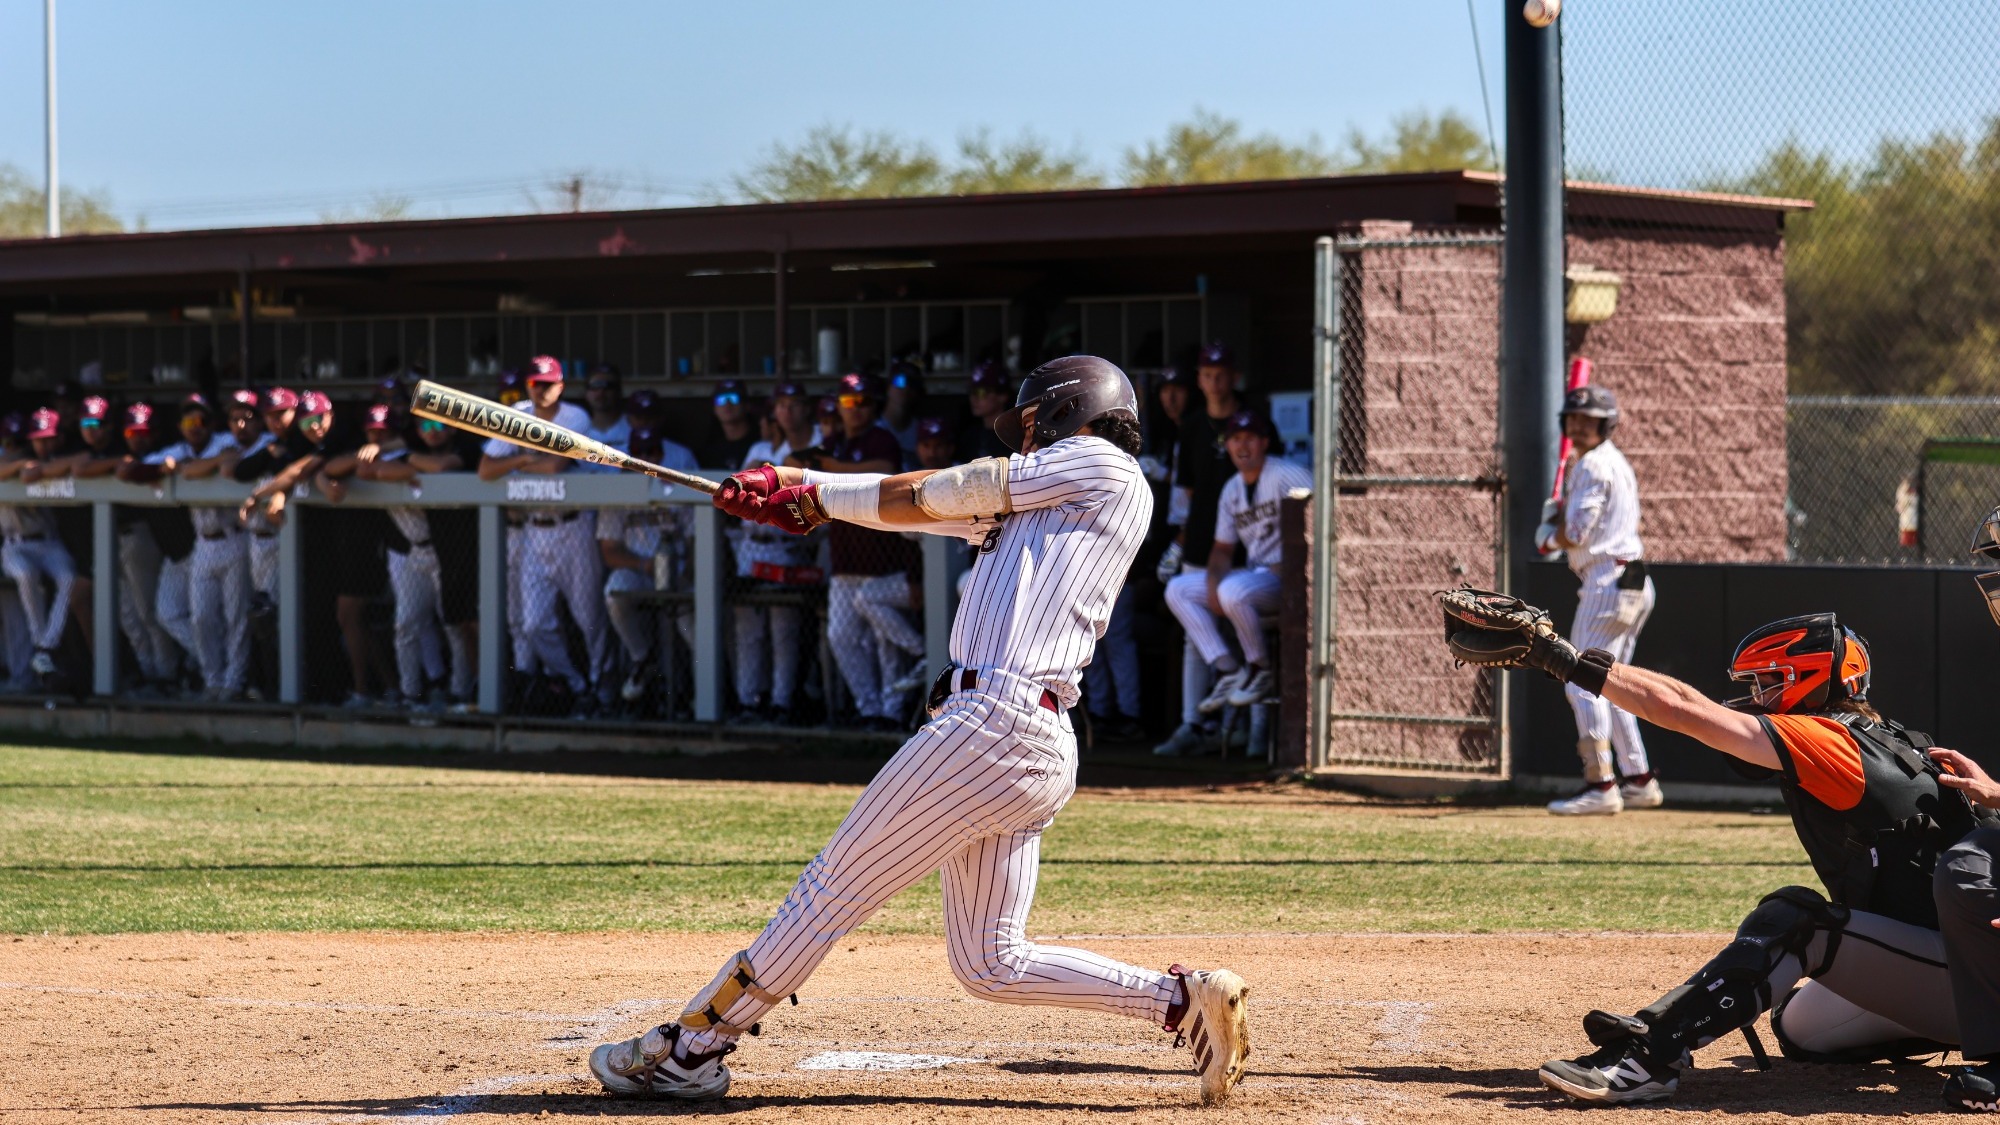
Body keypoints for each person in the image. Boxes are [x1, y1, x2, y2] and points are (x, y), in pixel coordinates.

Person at [590, 355, 1250, 1104]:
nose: (1026, 438)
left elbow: (952, 486)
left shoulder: (1103, 466)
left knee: (827, 890)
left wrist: (807, 487)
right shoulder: (1043, 502)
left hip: (996, 723)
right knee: (990, 962)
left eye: (1034, 422)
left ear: (1074, 411)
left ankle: (694, 1045)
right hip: (1019, 736)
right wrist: (804, 500)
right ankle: (1181, 1000)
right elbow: (913, 506)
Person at [1436, 594, 2000, 1111]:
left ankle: (1650, 1058)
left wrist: (1561, 659)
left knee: (1796, 921)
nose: (1756, 699)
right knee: (1802, 1028)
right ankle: (1961, 1026)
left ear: (1804, 680)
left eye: (1767, 684)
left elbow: (1688, 710)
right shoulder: (1899, 740)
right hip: (1966, 966)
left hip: (1966, 970)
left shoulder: (1832, 740)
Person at [1156, 412, 1311, 755]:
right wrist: (1211, 583)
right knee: (1179, 589)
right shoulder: (1232, 488)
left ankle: (1259, 668)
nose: (1242, 445)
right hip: (1257, 580)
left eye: (1250, 438)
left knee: (1232, 591)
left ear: (1265, 442)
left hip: (1292, 581)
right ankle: (1228, 669)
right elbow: (1223, 549)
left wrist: (1293, 566)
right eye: (1235, 439)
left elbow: (1321, 518)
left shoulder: (1287, 475)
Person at [1540, 384, 1661, 815]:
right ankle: (1639, 779)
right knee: (1615, 684)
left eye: (1587, 419)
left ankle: (1602, 785)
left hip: (1606, 580)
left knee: (1581, 681)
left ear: (1605, 423)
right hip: (1631, 578)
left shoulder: (1591, 464)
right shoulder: (1612, 461)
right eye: (1573, 419)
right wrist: (1560, 512)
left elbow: (1576, 534)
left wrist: (1548, 535)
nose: (1578, 425)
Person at [478, 355, 607, 715]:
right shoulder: (516, 413)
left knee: (590, 618)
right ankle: (576, 683)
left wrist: (519, 458)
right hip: (535, 530)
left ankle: (602, 688)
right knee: (534, 624)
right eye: (535, 383)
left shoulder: (575, 416)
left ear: (561, 386)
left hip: (575, 526)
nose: (541, 390)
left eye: (548, 383)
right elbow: (486, 470)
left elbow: (555, 465)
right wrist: (520, 460)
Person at [792, 372, 918, 730]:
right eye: (849, 402)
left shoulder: (882, 440)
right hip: (845, 561)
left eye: (863, 402)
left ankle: (891, 712)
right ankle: (868, 707)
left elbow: (885, 472)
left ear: (874, 405)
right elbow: (797, 463)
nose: (856, 410)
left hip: (882, 559)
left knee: (884, 644)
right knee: (841, 637)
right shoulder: (831, 443)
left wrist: (832, 470)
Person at [348, 404, 461, 711]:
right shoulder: (384, 455)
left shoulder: (417, 450)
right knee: (407, 623)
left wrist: (407, 463)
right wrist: (405, 470)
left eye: (384, 431)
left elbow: (440, 467)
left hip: (441, 551)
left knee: (452, 624)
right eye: (372, 430)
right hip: (407, 550)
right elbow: (365, 470)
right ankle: (412, 693)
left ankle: (458, 691)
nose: (377, 436)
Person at [597, 426, 701, 711]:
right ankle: (642, 657)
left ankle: (702, 689)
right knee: (614, 590)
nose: (645, 458)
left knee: (691, 626)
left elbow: (696, 538)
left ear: (661, 454)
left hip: (679, 569)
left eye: (651, 453)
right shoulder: (617, 490)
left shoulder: (677, 483)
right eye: (639, 453)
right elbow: (609, 551)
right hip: (639, 569)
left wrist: (687, 572)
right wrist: (644, 565)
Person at [730, 382, 817, 723]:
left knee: (784, 631)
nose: (781, 415)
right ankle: (749, 701)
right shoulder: (760, 448)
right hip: (752, 548)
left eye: (791, 406)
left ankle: (782, 703)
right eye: (777, 409)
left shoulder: (810, 447)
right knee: (749, 631)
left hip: (788, 547)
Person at [117, 405, 199, 695]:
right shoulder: (144, 457)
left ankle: (176, 673)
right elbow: (128, 470)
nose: (138, 439)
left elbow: (164, 465)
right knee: (158, 614)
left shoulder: (175, 449)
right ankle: (174, 673)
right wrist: (155, 470)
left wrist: (159, 469)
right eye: (132, 432)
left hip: (198, 546)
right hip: (178, 553)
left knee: (171, 614)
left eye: (145, 433)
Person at [0, 409, 80, 683]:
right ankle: (42, 645)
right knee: (24, 574)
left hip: (49, 542)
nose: (42, 445)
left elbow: (79, 462)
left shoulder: (58, 459)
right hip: (16, 544)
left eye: (48, 439)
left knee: (70, 577)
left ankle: (45, 646)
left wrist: (37, 468)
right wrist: (22, 466)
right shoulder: (12, 463)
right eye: (38, 439)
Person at [957, 360, 1015, 461]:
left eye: (981, 392)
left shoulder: (1016, 436)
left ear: (1003, 395)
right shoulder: (969, 438)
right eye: (972, 392)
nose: (974, 398)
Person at [578, 364, 629, 473]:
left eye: (608, 386)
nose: (601, 393)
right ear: (585, 393)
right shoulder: (577, 429)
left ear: (619, 391)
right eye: (595, 386)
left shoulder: (633, 427)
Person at [699, 380, 757, 471]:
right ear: (714, 409)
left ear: (747, 405)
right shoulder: (710, 451)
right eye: (721, 399)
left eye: (734, 398)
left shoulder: (759, 445)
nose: (727, 404)